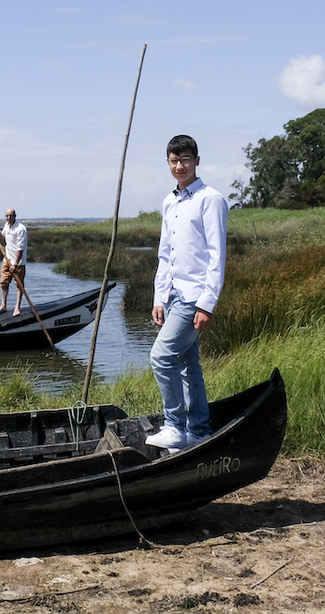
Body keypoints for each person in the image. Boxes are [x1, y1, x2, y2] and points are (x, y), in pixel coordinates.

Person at [144, 135, 229, 452]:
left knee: (161, 357)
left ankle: (175, 426)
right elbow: (165, 254)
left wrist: (207, 304)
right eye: (174, 160)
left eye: (185, 159)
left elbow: (217, 256)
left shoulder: (211, 199)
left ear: (196, 161)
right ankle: (198, 431)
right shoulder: (170, 202)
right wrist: (159, 297)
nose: (179, 166)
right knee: (187, 364)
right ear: (168, 163)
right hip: (173, 294)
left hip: (194, 296)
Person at [0, 208, 27, 316]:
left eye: (11, 215)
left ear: (15, 216)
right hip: (7, 259)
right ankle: (3, 305)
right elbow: (2, 235)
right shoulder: (6, 226)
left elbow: (20, 249)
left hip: (18, 262)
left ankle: (17, 307)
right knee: (4, 282)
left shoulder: (21, 229)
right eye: (7, 216)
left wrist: (15, 264)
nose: (9, 218)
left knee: (19, 284)